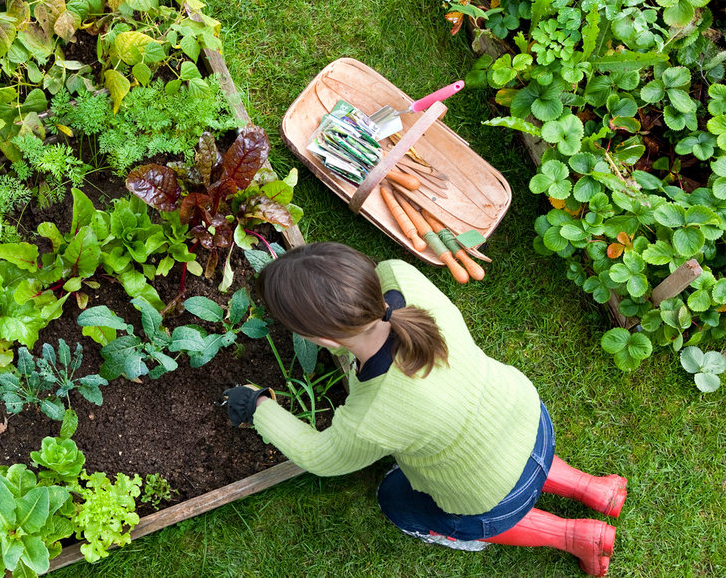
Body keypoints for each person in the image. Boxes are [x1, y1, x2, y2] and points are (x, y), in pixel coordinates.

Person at [223, 243, 626, 576]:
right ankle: (595, 489)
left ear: (324, 340)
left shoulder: (373, 415)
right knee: (500, 452)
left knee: (395, 500)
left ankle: (575, 536)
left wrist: (257, 406)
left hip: (490, 496)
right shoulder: (400, 276)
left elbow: (319, 456)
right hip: (528, 418)